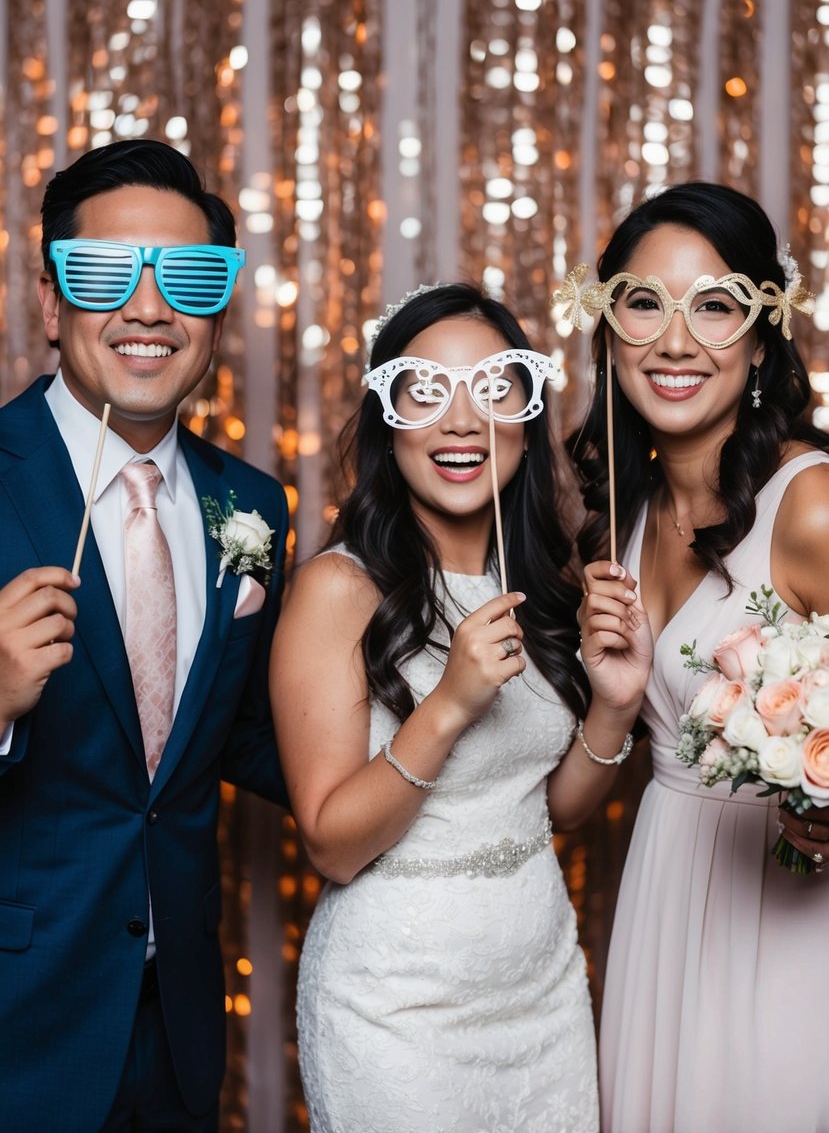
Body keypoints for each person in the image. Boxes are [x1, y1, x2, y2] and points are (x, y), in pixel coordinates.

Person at [270, 283, 650, 1133]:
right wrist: (447, 706)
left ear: (525, 413)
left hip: (543, 994)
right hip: (396, 1011)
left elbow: (551, 811)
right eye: (425, 393)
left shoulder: (545, 583)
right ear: (385, 422)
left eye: (491, 390)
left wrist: (615, 710)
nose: (461, 421)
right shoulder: (338, 589)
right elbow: (331, 847)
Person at [0, 139, 288, 1132]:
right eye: (105, 274)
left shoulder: (252, 505)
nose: (149, 308)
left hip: (176, 1027)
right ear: (50, 302)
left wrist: (433, 740)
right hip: (19, 1023)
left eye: (188, 276)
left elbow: (245, 731)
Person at [567, 182, 829, 1133]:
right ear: (606, 327)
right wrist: (611, 701)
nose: (675, 342)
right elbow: (564, 805)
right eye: (644, 303)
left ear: (761, 339)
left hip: (792, 927)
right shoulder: (616, 523)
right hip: (663, 893)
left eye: (714, 307)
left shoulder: (810, 506)